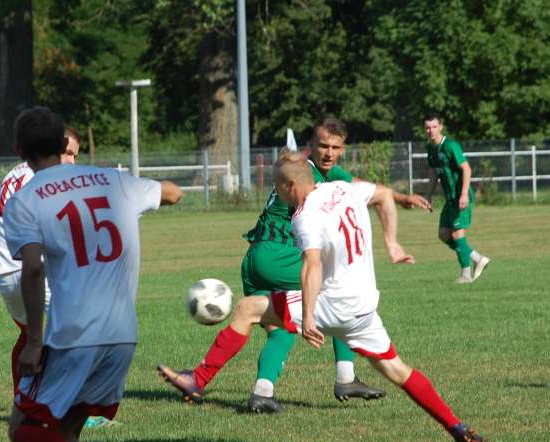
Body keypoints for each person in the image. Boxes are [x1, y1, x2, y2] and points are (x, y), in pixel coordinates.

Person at [173, 149, 486, 442]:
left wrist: (308, 317)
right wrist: (392, 243)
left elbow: (312, 265)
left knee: (247, 309)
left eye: (278, 187)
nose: (276, 193)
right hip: (364, 307)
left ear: (290, 186)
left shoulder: (304, 216)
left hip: (333, 304)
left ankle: (197, 380)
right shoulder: (343, 188)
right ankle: (457, 428)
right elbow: (383, 195)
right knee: (398, 370)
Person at [159, 117, 430, 413]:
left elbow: (362, 188)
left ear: (342, 149)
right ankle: (345, 377)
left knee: (280, 328)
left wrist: (401, 198)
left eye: (335, 147)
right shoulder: (303, 174)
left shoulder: (316, 171)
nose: (328, 153)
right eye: (323, 146)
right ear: (310, 146)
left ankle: (260, 392)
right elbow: (357, 192)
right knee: (339, 293)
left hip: (256, 258)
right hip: (281, 256)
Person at [3, 106, 182, 442]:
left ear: (20, 150)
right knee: (66, 433)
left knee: (22, 427)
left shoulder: (26, 199)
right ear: (65, 143)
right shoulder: (112, 180)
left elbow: (31, 271)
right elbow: (173, 193)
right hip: (122, 335)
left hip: (73, 335)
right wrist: (149, 195)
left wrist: (34, 341)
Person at [0, 127, 81, 394]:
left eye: (75, 155)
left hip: (4, 273)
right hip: (32, 270)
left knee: (29, 334)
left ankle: (23, 397)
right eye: (67, 153)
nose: (71, 162)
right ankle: (76, 411)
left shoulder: (10, 177)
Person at [424, 114, 491, 283]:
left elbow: (466, 169)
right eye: (427, 127)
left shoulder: (451, 145)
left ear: (441, 127)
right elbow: (433, 174)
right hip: (449, 199)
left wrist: (463, 194)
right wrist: (428, 196)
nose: (430, 131)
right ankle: (477, 258)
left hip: (461, 197)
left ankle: (466, 275)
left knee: (456, 233)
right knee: (443, 234)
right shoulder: (430, 148)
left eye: (434, 127)